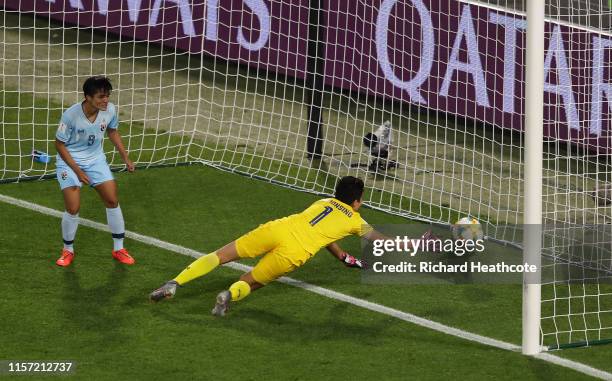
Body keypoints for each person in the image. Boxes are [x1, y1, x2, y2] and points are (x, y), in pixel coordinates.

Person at [150, 176, 435, 316]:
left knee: (220, 255)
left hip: (278, 228)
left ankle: (175, 282)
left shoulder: (323, 201)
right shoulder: (356, 222)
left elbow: (325, 235)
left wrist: (342, 257)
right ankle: (227, 296)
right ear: (357, 201)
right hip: (295, 252)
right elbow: (383, 242)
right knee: (252, 281)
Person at [54, 76, 135, 267]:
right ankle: (67, 250)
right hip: (69, 161)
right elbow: (59, 144)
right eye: (100, 97)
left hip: (96, 160)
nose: (105, 100)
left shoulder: (110, 110)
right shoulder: (70, 115)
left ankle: (119, 248)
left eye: (107, 96)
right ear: (88, 97)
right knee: (73, 208)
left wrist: (125, 156)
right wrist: (77, 170)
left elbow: (112, 131)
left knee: (112, 200)